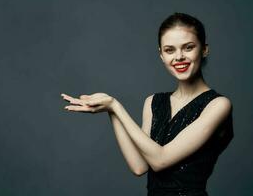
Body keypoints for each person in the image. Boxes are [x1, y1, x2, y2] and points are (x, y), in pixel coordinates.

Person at [60, 12, 234, 196]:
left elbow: (161, 160)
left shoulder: (218, 105)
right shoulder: (154, 102)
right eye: (169, 50)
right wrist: (111, 110)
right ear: (161, 55)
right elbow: (139, 166)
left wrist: (116, 106)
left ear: (204, 49)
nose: (179, 57)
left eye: (188, 47)